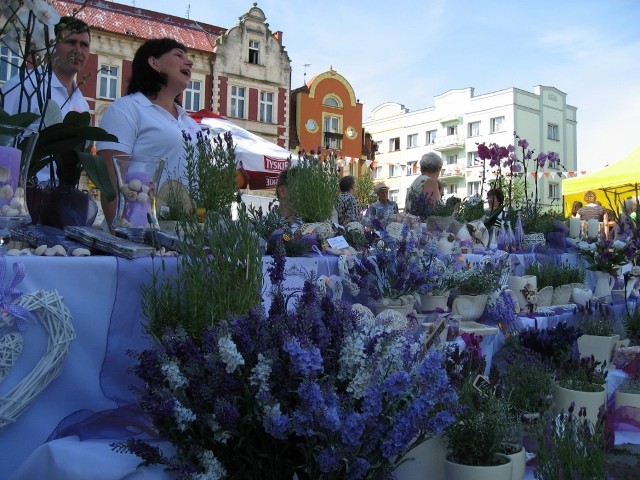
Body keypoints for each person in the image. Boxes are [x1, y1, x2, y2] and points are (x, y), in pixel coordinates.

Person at [96, 37, 202, 229]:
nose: (189, 62)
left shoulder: (189, 122)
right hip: (139, 229)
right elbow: (111, 179)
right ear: (154, 63)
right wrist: (121, 235)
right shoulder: (127, 108)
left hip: (185, 232)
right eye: (178, 55)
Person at [1, 16, 91, 125]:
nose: (78, 50)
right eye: (71, 42)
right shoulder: (23, 86)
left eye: (84, 45)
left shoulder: (82, 103)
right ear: (52, 44)